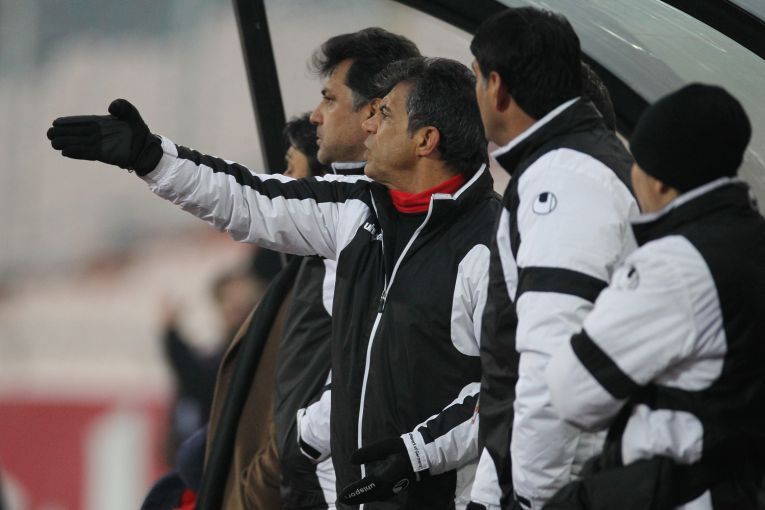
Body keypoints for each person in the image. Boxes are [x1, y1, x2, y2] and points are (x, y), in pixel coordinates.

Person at [47, 55, 496, 509]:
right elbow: (247, 198)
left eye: (384, 114)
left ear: (425, 140)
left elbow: (508, 390)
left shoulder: (493, 243)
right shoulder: (358, 208)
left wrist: (416, 453)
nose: (369, 126)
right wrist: (151, 158)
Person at [544, 83, 765, 510]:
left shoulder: (676, 264)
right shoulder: (750, 239)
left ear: (658, 179)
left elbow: (572, 393)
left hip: (677, 490)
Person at [466, 7, 638, 510]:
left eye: (476, 78)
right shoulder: (572, 163)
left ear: (497, 87)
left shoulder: (563, 178)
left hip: (568, 483)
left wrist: (534, 495)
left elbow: (551, 359)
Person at [161, 269, 260, 465]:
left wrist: (173, 338)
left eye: (242, 302)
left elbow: (202, 384)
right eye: (227, 300)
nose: (235, 308)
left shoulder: (257, 350)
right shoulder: (222, 352)